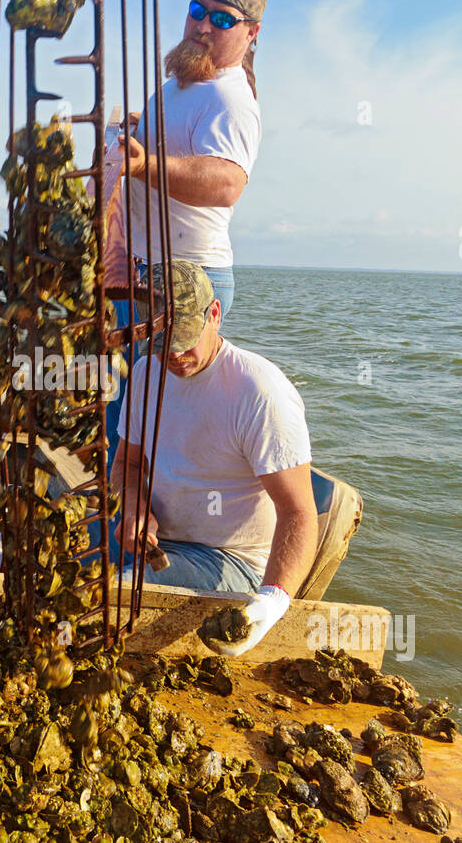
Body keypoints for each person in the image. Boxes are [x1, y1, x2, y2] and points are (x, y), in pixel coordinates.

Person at [111, 262, 317, 655]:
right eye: (159, 342)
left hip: (231, 559)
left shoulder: (259, 391)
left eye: (184, 339)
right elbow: (128, 464)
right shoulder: (143, 373)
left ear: (215, 314)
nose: (173, 354)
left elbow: (299, 511)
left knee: (112, 602)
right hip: (159, 545)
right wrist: (134, 506)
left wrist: (273, 600)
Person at [119, 0, 266, 320]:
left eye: (221, 19)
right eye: (197, 10)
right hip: (143, 270)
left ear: (250, 33)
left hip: (185, 281)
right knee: (131, 379)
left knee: (150, 379)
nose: (202, 26)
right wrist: (144, 128)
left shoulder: (230, 98)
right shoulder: (187, 81)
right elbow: (188, 134)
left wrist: (142, 166)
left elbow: (226, 183)